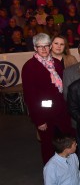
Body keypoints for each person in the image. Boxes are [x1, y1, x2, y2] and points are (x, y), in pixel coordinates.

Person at [22, 33, 74, 164]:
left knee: (67, 143)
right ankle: (52, 177)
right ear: (35, 48)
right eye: (40, 46)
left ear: (50, 46)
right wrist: (38, 120)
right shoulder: (29, 66)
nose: (44, 49)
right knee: (48, 147)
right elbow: (29, 96)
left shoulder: (56, 63)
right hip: (44, 115)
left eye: (46, 46)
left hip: (62, 111)